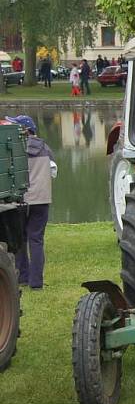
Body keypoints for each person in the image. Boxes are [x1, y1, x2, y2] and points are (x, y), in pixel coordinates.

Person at [5, 115, 56, 290]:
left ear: (23, 130)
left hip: (20, 200)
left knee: (20, 239)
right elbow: (54, 172)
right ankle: (36, 283)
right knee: (36, 239)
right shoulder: (46, 148)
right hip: (41, 200)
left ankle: (22, 277)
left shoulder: (13, 149)